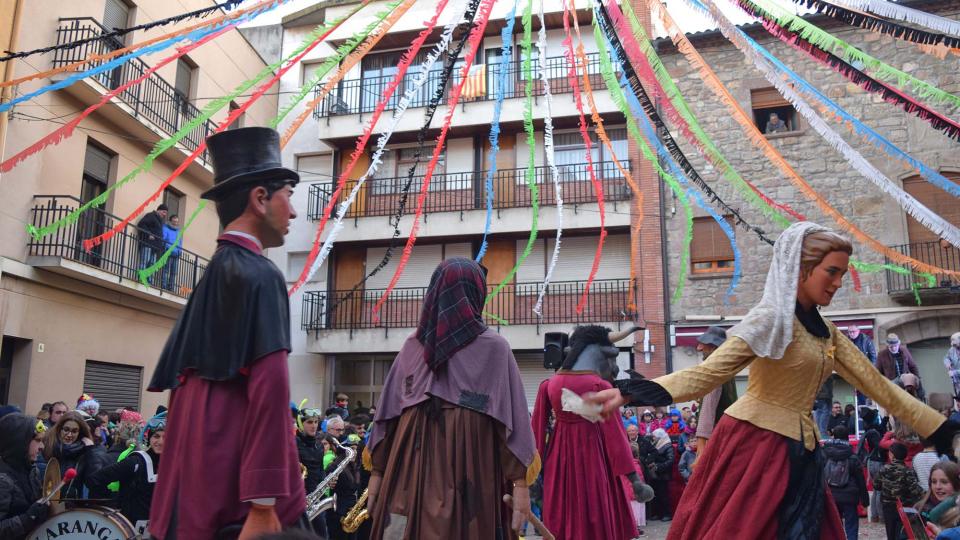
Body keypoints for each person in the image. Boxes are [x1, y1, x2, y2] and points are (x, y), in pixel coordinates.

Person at [585, 222, 957, 539]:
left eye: (842, 273)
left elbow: (880, 387)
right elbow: (709, 372)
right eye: (832, 271)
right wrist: (636, 391)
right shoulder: (769, 319)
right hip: (753, 445)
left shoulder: (829, 333)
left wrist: (941, 430)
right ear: (800, 270)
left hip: (804, 450)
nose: (839, 282)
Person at [146, 127, 305, 539]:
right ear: (259, 198)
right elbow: (270, 391)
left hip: (192, 474)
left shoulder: (214, 271)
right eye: (287, 194)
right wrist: (264, 501)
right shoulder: (260, 274)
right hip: (232, 480)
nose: (293, 212)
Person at [367, 258, 538, 539]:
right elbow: (512, 425)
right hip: (470, 468)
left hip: (407, 469)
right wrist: (520, 485)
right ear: (476, 294)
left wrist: (377, 476)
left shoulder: (412, 346)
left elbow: (386, 422)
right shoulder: (493, 347)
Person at [86, 411, 164, 532]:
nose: (161, 442)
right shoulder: (136, 461)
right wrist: (114, 503)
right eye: (156, 436)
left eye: (166, 437)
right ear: (149, 438)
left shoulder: (172, 465)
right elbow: (94, 479)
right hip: (130, 530)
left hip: (158, 529)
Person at [0, 413, 49, 539]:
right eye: (38, 440)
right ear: (19, 442)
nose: (42, 447)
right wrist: (28, 518)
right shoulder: (3, 480)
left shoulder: (32, 470)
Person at [692, 326, 736, 460]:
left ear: (714, 348)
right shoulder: (726, 369)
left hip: (716, 436)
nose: (699, 348)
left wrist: (701, 446)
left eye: (704, 345)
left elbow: (708, 409)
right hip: (726, 434)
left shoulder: (714, 371)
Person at [822, 425, 868, 540]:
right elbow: (860, 479)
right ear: (847, 437)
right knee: (851, 524)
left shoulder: (825, 453)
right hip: (849, 495)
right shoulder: (852, 456)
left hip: (831, 494)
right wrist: (865, 500)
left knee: (834, 524)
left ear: (833, 436)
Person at [44, 411, 104, 499]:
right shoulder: (48, 445)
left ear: (80, 432)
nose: (69, 435)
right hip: (45, 502)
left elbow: (94, 480)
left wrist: (91, 451)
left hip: (70, 506)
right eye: (66, 429)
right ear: (60, 428)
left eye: (74, 431)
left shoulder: (85, 452)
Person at [874, 442, 924, 540]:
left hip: (888, 506)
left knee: (890, 531)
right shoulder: (907, 471)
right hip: (904, 506)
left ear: (891, 454)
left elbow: (876, 485)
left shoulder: (883, 469)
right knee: (902, 532)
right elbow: (915, 490)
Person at [647, 428, 675, 522]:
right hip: (654, 474)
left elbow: (670, 460)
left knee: (664, 495)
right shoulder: (655, 444)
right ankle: (658, 514)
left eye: (655, 436)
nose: (653, 438)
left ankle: (667, 514)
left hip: (663, 474)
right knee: (656, 495)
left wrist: (658, 466)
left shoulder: (667, 446)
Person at [136, 203, 168, 278]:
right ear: (159, 210)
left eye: (166, 213)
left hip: (155, 247)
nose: (165, 215)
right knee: (145, 261)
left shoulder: (160, 221)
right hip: (147, 244)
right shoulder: (151, 215)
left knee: (152, 264)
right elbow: (141, 224)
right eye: (164, 212)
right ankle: (141, 278)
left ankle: (149, 280)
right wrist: (149, 234)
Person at [161, 214, 183, 292]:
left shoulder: (178, 231)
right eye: (174, 222)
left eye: (176, 222)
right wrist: (166, 247)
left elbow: (180, 242)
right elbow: (163, 238)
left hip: (176, 253)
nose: (175, 223)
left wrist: (180, 251)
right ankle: (163, 285)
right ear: (171, 221)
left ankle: (171, 287)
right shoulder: (165, 228)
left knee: (173, 272)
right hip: (168, 251)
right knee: (166, 270)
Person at [945, 332, 960, 397]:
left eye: (955, 344)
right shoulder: (952, 349)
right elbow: (946, 357)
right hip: (956, 381)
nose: (953, 346)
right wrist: (947, 363)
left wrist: (955, 373)